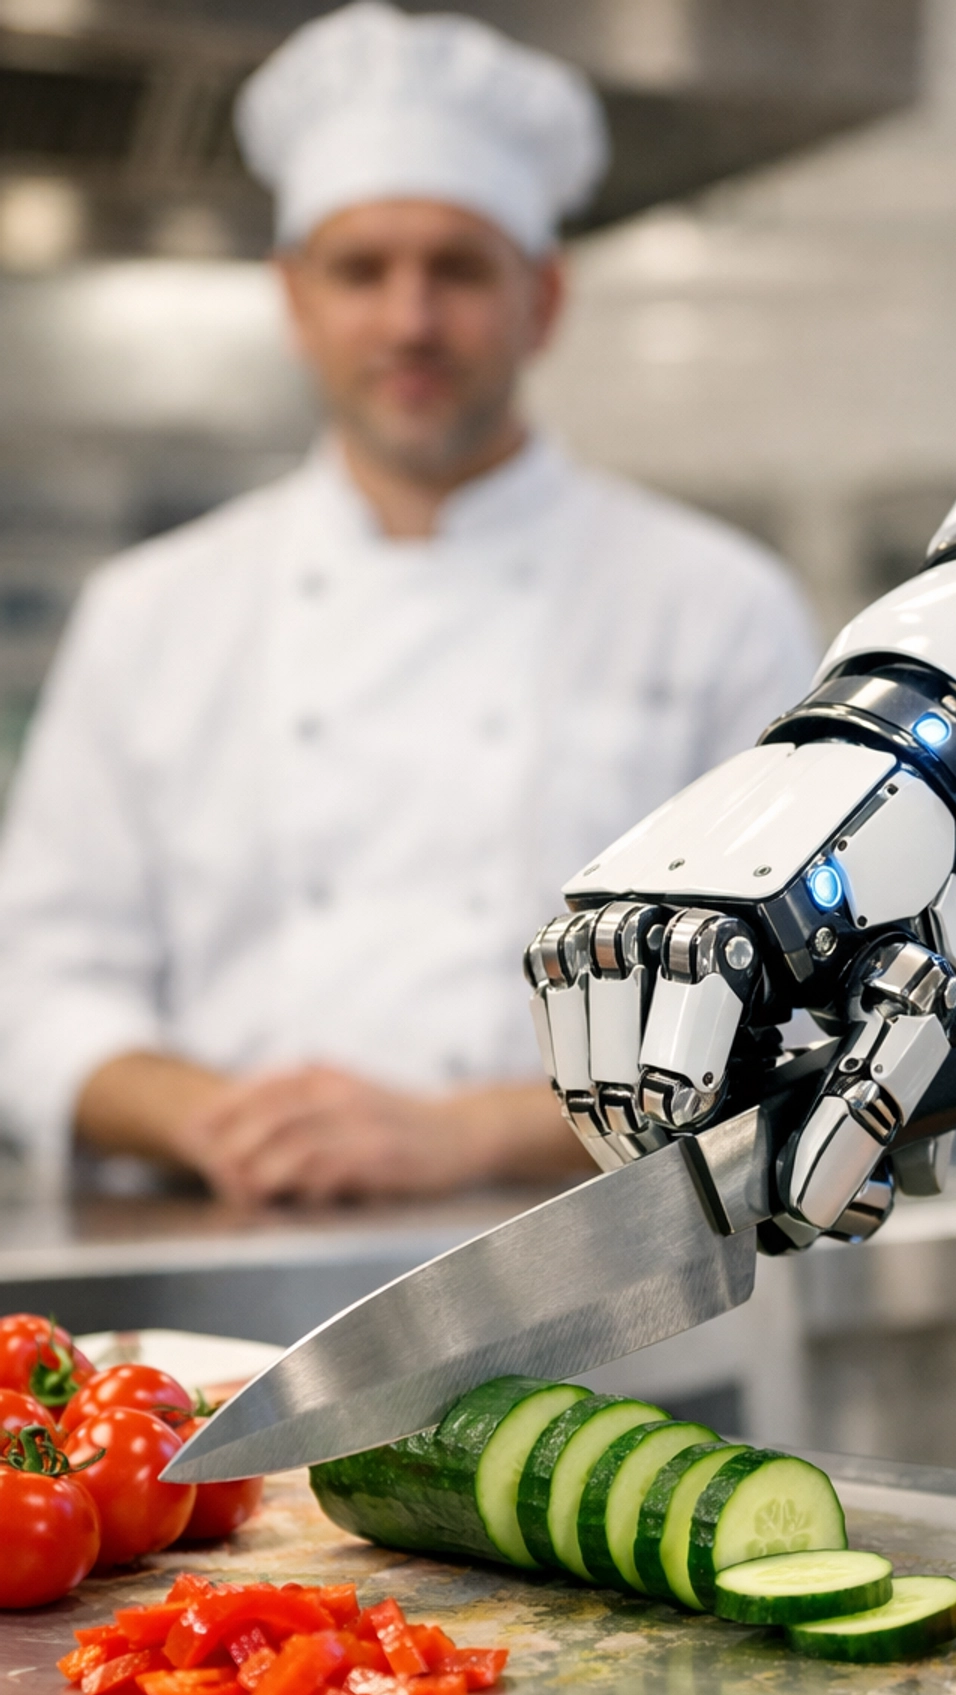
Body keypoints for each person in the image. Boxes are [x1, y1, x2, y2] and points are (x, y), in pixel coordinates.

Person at [0, 2, 816, 1207]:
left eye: (458, 269)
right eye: (360, 269)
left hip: (601, 1296)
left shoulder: (715, 606)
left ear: (543, 298)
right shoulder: (151, 612)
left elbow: (789, 1010)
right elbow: (38, 982)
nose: (409, 320)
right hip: (229, 1291)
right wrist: (235, 1124)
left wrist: (466, 1134)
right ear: (294, 297)